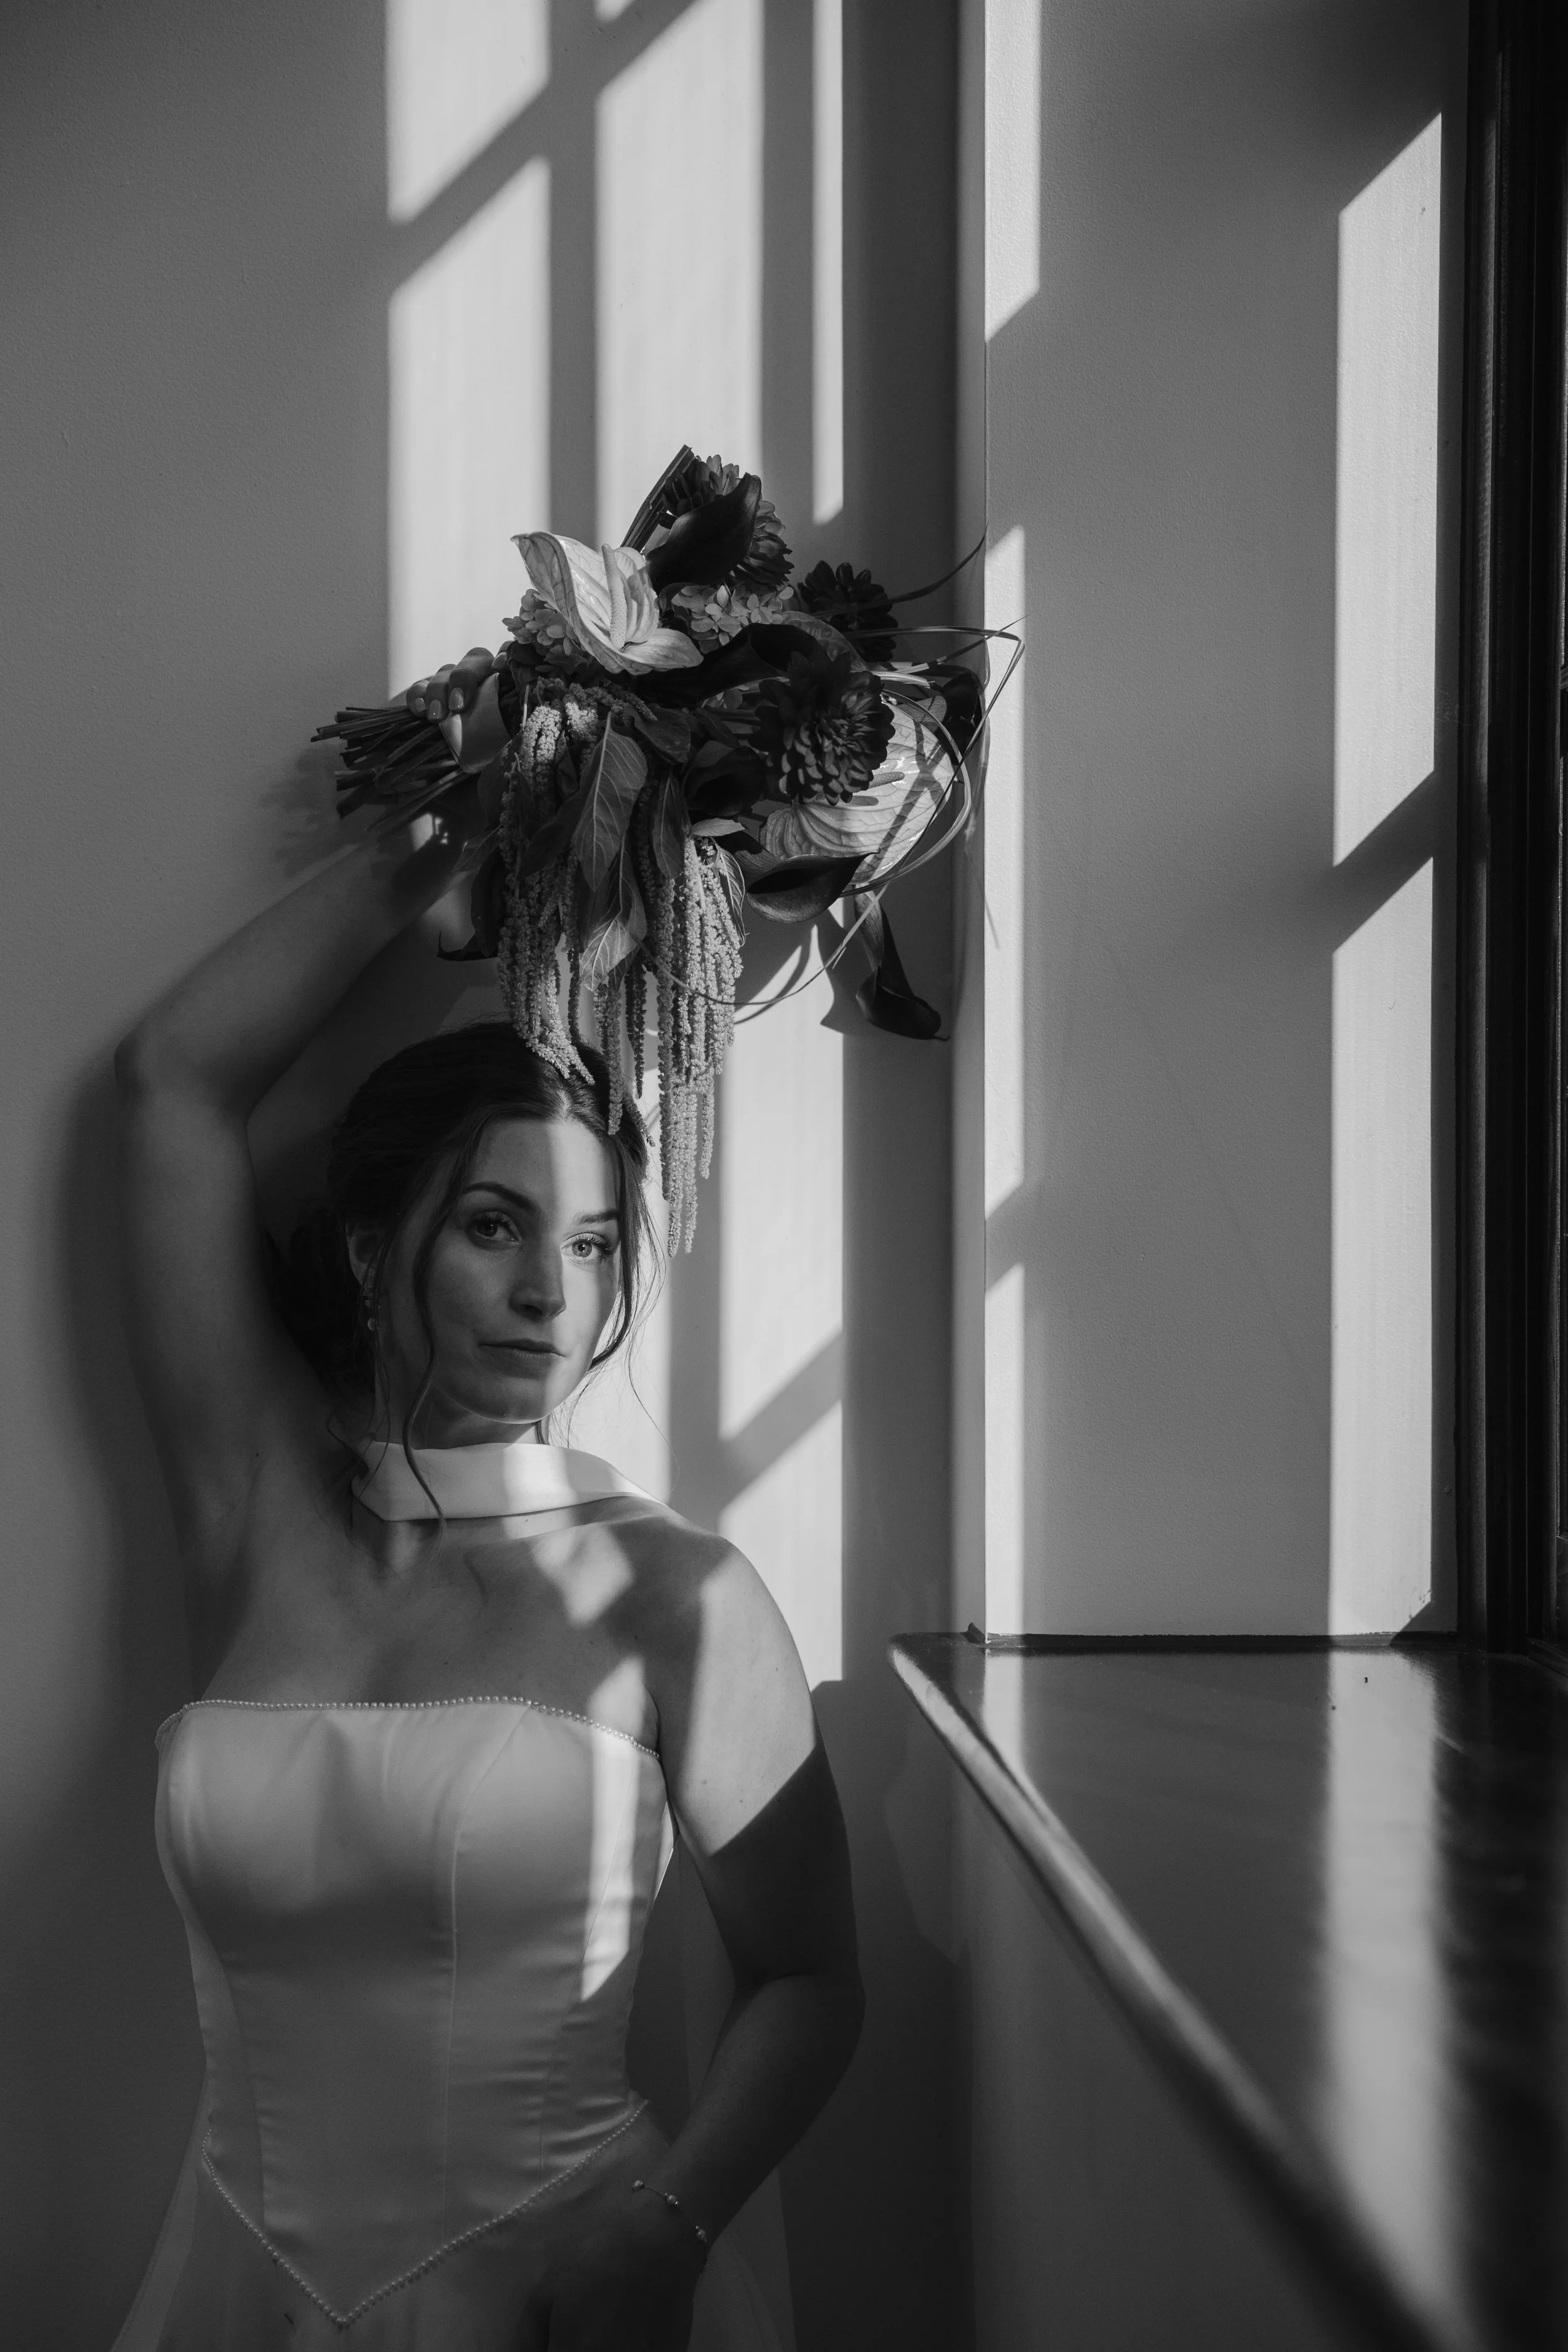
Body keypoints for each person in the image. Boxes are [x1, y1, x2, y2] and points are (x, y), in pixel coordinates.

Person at [110, 658, 864, 2351]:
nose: (549, 1294)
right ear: (373, 1248)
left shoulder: (676, 1595)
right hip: (232, 2291)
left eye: (593, 1243)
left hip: (570, 2291)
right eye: (493, 1227)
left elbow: (812, 1978)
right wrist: (480, 801)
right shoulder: (254, 1511)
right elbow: (171, 1083)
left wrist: (670, 2229)